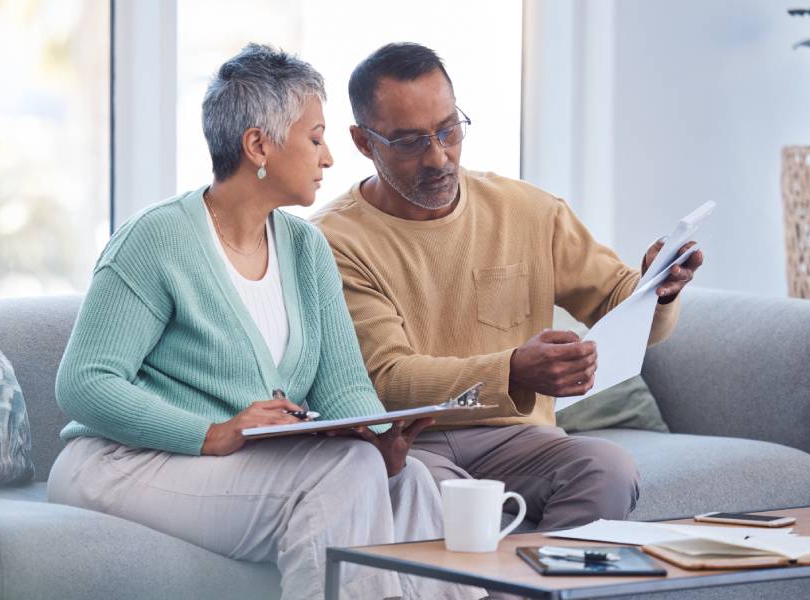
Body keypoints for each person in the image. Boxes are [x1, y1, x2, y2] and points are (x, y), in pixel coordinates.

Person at [47, 43, 481, 600]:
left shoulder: (307, 250)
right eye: (316, 138)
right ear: (259, 144)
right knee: (343, 473)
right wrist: (212, 433)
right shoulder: (155, 240)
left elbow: (343, 384)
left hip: (236, 468)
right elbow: (84, 384)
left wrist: (380, 438)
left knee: (412, 481)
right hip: (124, 463)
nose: (328, 159)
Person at [312, 42, 704, 530]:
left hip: (520, 439)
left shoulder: (530, 211)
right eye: (411, 142)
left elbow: (618, 303)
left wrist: (658, 289)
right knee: (421, 495)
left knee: (609, 468)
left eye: (449, 130)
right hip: (411, 443)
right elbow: (389, 382)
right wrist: (513, 372)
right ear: (364, 142)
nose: (438, 157)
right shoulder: (333, 241)